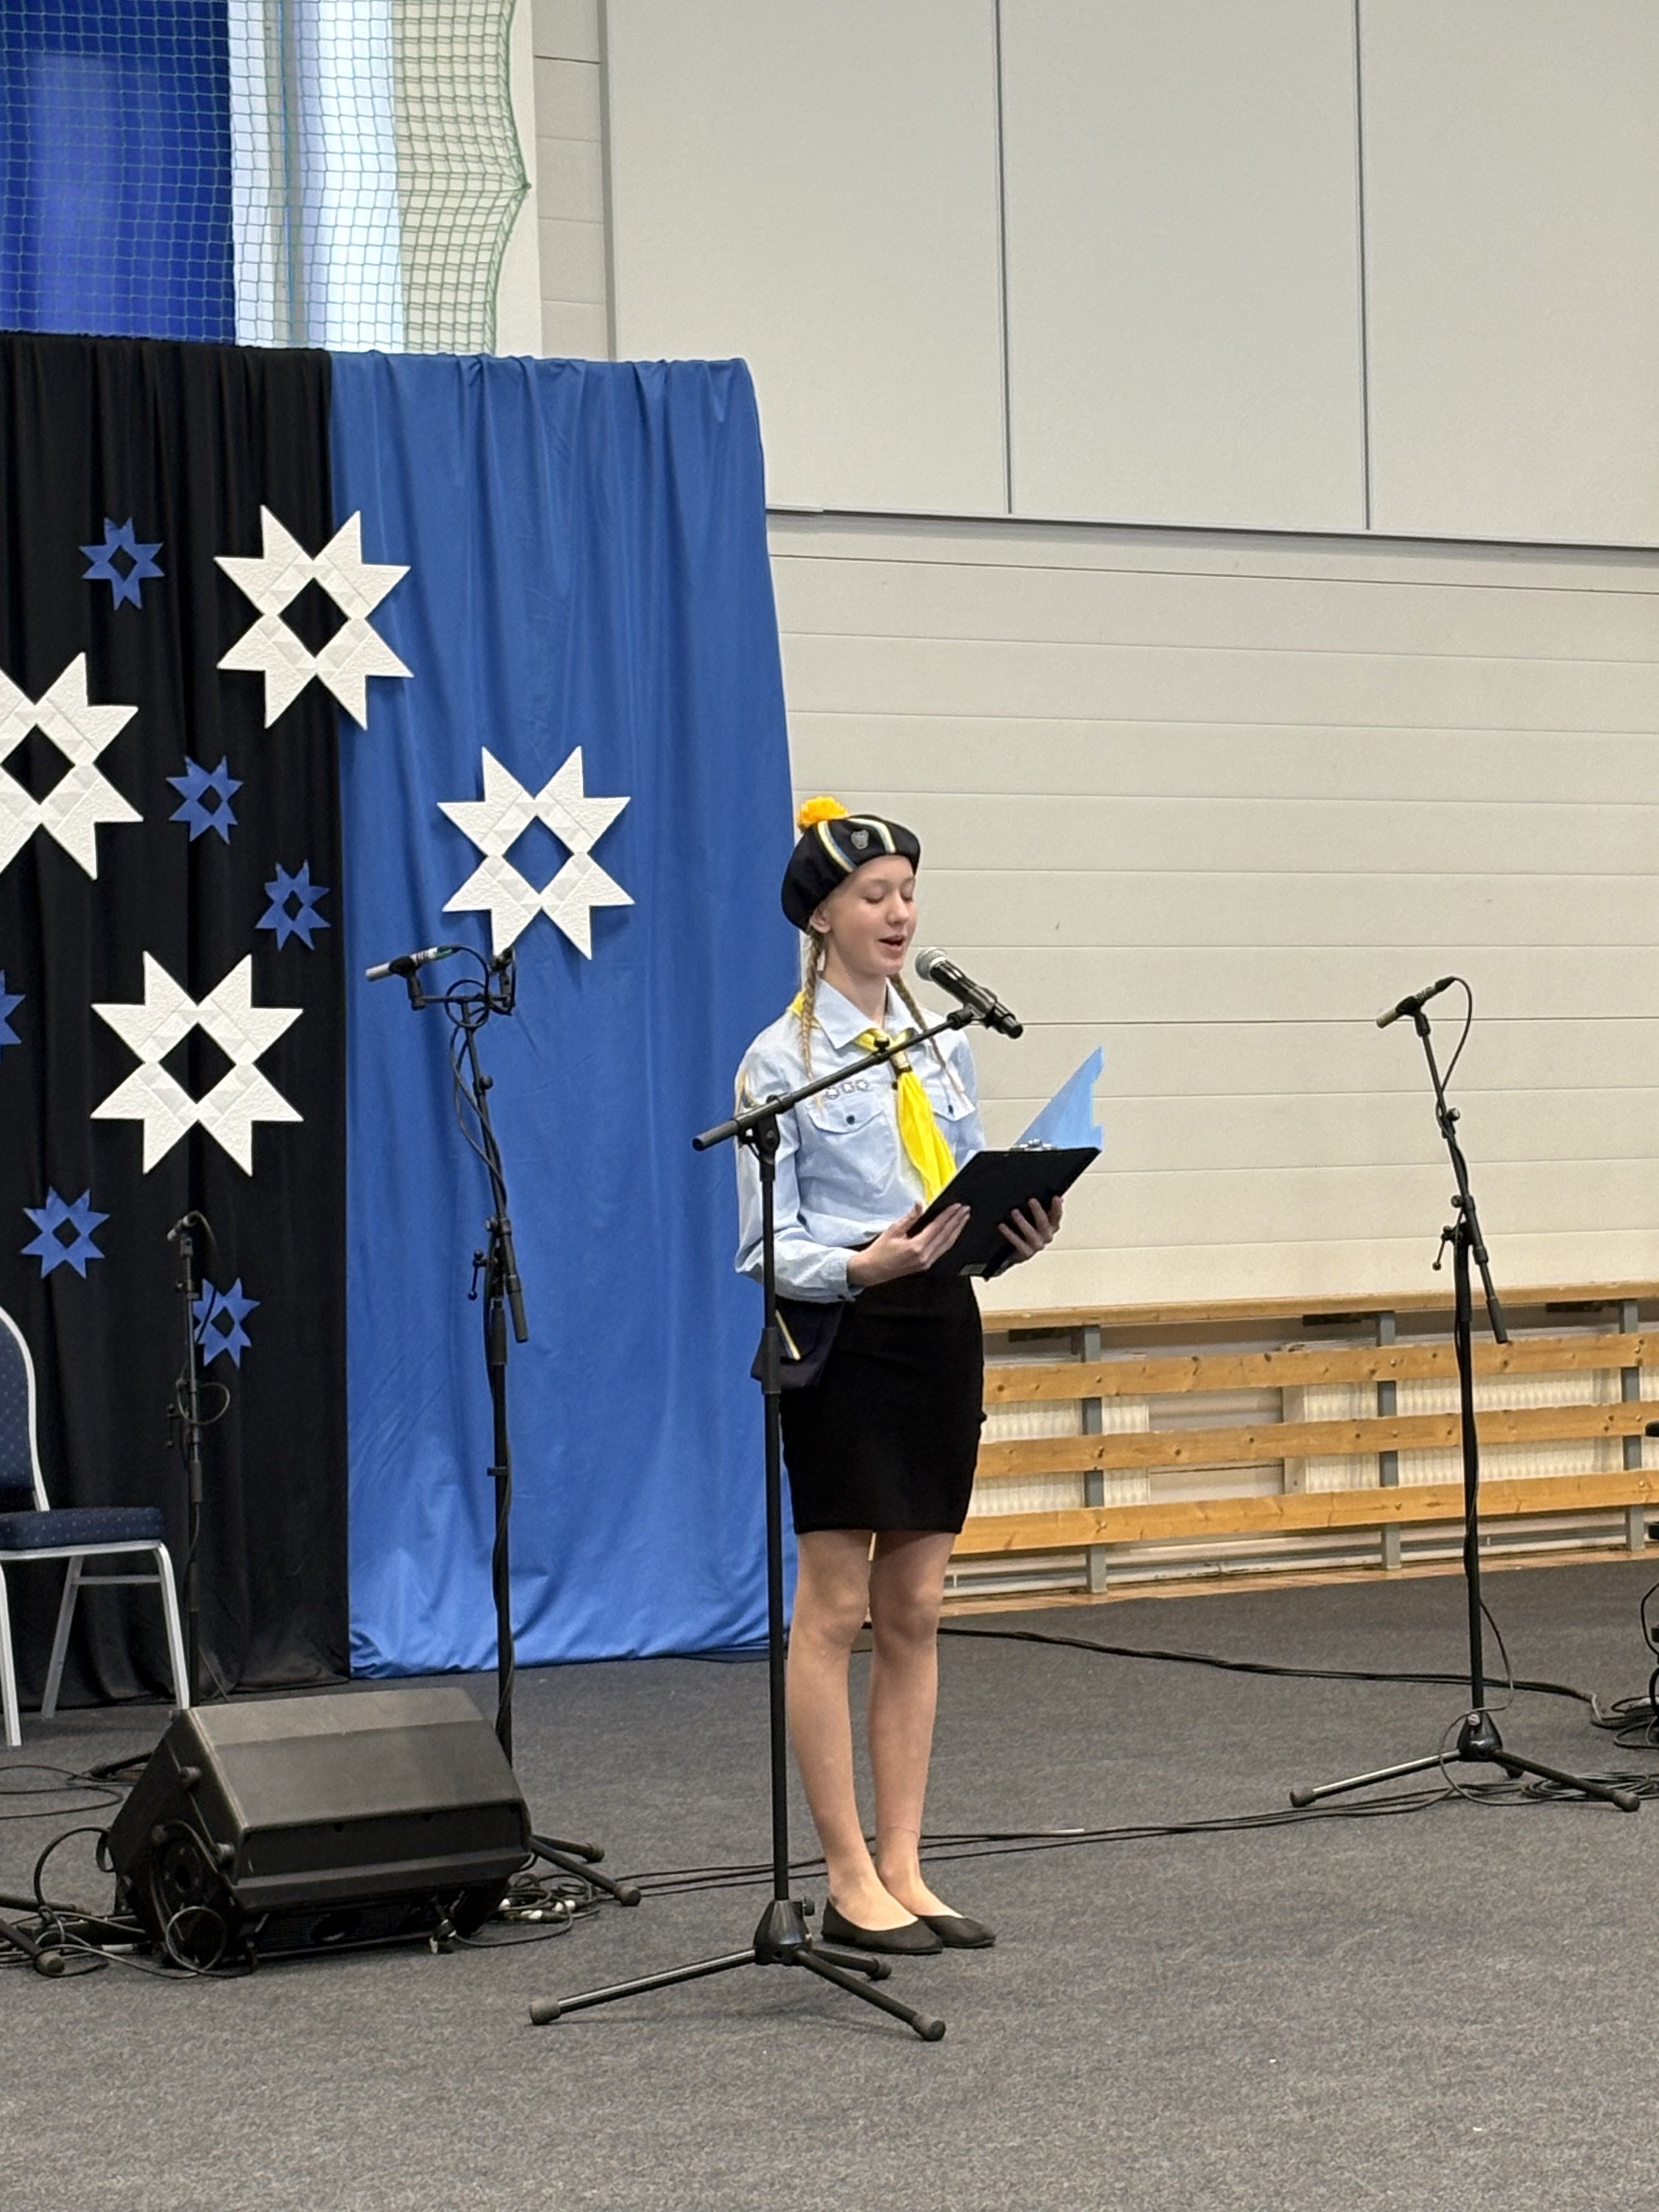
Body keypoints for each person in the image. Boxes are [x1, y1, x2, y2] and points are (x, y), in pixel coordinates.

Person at [735, 797, 1062, 1955]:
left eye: (909, 894)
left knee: (915, 1606)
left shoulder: (945, 1043)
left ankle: (907, 1864)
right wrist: (858, 1266)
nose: (899, 914)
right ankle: (844, 1875)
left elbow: (956, 1191)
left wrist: (1013, 1232)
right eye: (875, 895)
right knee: (835, 1607)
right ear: (821, 915)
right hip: (844, 1335)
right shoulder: (779, 1061)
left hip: (938, 1328)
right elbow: (762, 1247)